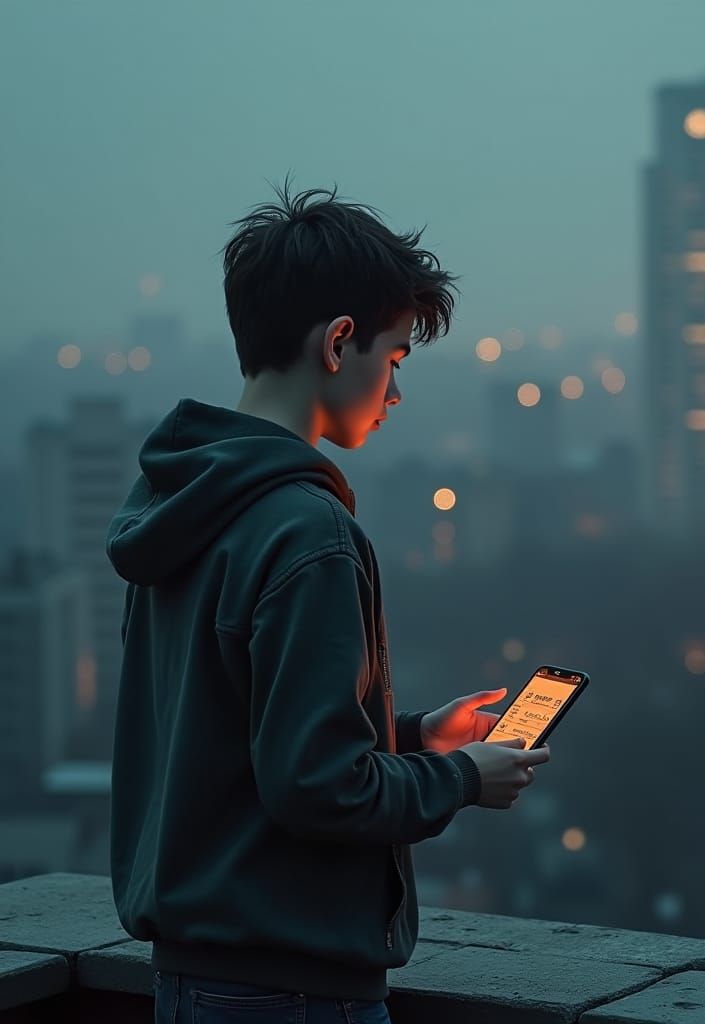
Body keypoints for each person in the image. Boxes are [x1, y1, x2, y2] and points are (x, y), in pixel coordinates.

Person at [106, 177, 551, 1024]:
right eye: (394, 358)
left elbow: (225, 732)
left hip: (193, 980)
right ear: (340, 341)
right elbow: (318, 788)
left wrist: (414, 733)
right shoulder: (303, 532)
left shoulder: (181, 503)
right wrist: (460, 778)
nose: (395, 392)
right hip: (292, 991)